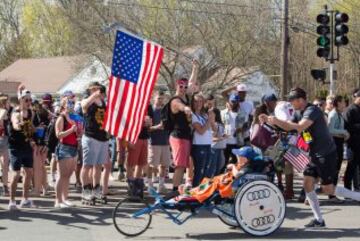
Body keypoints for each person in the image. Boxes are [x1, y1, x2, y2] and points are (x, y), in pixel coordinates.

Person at [259, 87, 360, 228]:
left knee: (329, 190)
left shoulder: (312, 111)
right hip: (314, 155)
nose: (290, 103)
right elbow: (288, 127)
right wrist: (270, 121)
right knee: (307, 184)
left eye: (292, 100)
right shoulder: (299, 112)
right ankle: (319, 220)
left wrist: (276, 121)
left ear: (300, 100)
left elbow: (299, 128)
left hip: (325, 155)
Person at [173, 146, 268, 203]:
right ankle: (191, 192)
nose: (237, 156)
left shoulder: (247, 168)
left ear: (245, 159)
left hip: (229, 186)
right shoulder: (243, 164)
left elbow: (238, 175)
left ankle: (191, 193)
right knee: (209, 182)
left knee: (210, 185)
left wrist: (233, 167)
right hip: (226, 181)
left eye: (239, 155)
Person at [168, 60, 199, 192]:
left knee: (185, 165)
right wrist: (185, 108)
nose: (184, 88)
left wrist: (195, 68)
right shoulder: (175, 100)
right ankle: (174, 191)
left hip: (186, 136)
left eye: (185, 87)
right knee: (180, 166)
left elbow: (191, 83)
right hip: (178, 136)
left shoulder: (186, 95)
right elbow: (178, 105)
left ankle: (178, 190)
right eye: (181, 86)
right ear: (177, 86)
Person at [81, 82, 109, 203]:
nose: (97, 91)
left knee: (98, 166)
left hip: (102, 138)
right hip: (90, 137)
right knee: (87, 166)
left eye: (98, 89)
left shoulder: (103, 103)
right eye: (94, 89)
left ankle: (96, 189)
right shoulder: (86, 101)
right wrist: (94, 95)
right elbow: (85, 106)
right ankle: (85, 191)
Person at [8, 88, 35, 209]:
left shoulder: (31, 113)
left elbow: (31, 128)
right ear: (21, 100)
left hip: (26, 146)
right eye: (26, 100)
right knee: (16, 174)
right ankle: (12, 201)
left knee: (29, 172)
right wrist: (19, 125)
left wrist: (33, 137)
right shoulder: (15, 112)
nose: (29, 102)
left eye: (30, 100)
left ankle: (25, 199)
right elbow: (15, 125)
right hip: (15, 146)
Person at [54, 92, 79, 208]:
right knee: (62, 175)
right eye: (69, 103)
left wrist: (79, 131)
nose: (72, 105)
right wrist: (71, 130)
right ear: (64, 105)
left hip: (74, 147)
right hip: (64, 148)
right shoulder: (61, 117)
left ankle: (65, 198)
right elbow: (58, 135)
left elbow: (78, 133)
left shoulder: (74, 117)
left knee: (68, 175)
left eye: (73, 103)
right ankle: (58, 201)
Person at [126, 105, 153, 198]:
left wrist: (149, 124)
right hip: (134, 138)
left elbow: (150, 124)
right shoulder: (133, 103)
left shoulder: (148, 106)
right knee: (131, 164)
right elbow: (128, 122)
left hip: (144, 138)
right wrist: (128, 139)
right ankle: (131, 187)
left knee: (141, 164)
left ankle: (137, 187)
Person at [147, 91, 171, 193]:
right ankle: (150, 185)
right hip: (154, 142)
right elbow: (147, 128)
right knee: (151, 165)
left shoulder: (165, 111)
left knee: (164, 165)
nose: (160, 101)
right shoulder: (150, 111)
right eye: (158, 98)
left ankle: (161, 186)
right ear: (154, 98)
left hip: (165, 142)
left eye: (162, 99)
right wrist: (158, 127)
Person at [191, 93, 216, 187]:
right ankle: (195, 191)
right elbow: (201, 131)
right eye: (196, 101)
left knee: (206, 171)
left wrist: (212, 118)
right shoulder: (193, 115)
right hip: (198, 145)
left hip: (208, 145)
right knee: (199, 171)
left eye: (200, 101)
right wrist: (209, 120)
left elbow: (214, 129)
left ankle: (202, 192)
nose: (198, 104)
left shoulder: (205, 115)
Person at [327, 95, 349, 202]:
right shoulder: (334, 114)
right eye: (343, 102)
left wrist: (343, 134)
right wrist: (344, 132)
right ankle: (331, 195)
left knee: (337, 169)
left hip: (339, 144)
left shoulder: (339, 114)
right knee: (334, 169)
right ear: (338, 103)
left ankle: (333, 193)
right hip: (334, 145)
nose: (344, 104)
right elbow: (330, 130)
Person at [221, 93, 247, 166]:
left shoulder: (242, 113)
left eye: (236, 101)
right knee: (223, 164)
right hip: (225, 142)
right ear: (229, 101)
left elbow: (246, 125)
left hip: (238, 142)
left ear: (238, 102)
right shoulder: (223, 113)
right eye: (232, 101)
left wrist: (241, 129)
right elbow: (220, 126)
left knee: (237, 164)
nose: (234, 103)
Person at [344, 89, 360, 192]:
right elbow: (347, 126)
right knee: (351, 167)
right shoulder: (350, 110)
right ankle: (347, 189)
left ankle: (357, 188)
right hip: (352, 144)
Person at [208, 108, 227, 177]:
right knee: (213, 167)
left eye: (211, 113)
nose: (209, 115)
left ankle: (215, 182)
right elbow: (211, 138)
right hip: (214, 148)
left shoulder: (220, 124)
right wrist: (222, 138)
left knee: (220, 165)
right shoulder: (212, 125)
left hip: (220, 148)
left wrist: (224, 136)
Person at [0, 93, 10, 195]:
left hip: (3, 139)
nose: (9, 104)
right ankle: (5, 187)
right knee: (5, 165)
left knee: (4, 165)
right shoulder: (3, 111)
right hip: (2, 139)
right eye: (7, 102)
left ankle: (5, 187)